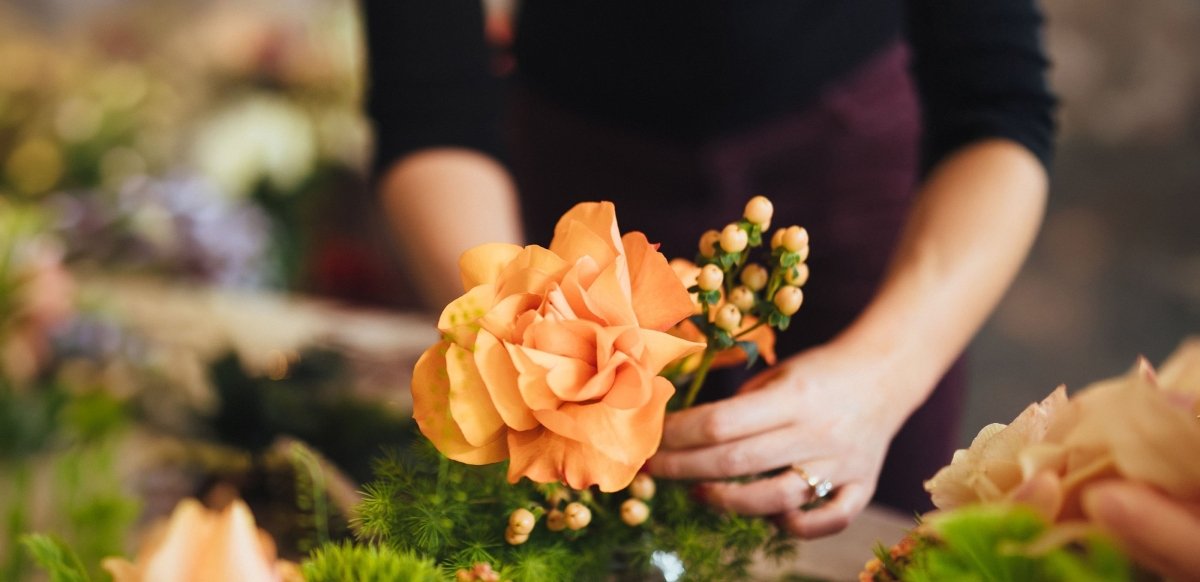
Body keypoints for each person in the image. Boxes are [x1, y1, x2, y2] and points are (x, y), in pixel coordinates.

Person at [362, 0, 1056, 538]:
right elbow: (427, 105)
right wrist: (514, 353)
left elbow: (999, 103)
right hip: (571, 197)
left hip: (856, 190)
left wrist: (882, 377)